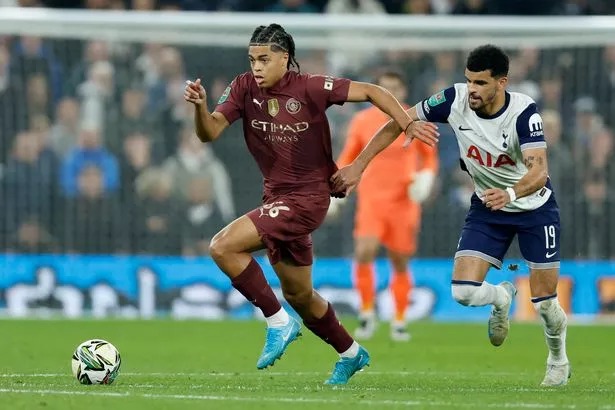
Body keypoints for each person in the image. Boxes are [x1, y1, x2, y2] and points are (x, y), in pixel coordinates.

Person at [183, 23, 438, 385]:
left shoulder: (311, 86)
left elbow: (372, 91)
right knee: (300, 294)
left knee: (222, 246)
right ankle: (351, 353)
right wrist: (200, 107)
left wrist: (407, 123)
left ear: (284, 59)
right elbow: (208, 133)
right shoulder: (243, 88)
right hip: (276, 197)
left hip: (308, 198)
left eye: (264, 59)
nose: (256, 66)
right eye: (252, 58)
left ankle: (277, 321)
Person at [332, 45, 570, 387]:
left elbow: (540, 172)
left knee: (545, 303)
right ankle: (501, 296)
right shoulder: (453, 99)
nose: (472, 89)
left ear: (501, 82)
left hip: (534, 209)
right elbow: (397, 122)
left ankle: (558, 359)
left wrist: (512, 193)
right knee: (463, 292)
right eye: (468, 80)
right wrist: (357, 165)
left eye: (481, 83)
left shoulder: (523, 112)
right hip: (489, 208)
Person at [330, 70, 438, 341]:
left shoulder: (413, 117)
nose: (389, 94)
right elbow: (348, 156)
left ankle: (399, 320)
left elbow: (429, 156)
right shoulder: (361, 122)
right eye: (383, 89)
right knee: (364, 251)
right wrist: (332, 189)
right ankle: (367, 314)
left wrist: (425, 177)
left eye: (394, 89)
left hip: (403, 201)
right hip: (372, 200)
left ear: (402, 92)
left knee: (399, 261)